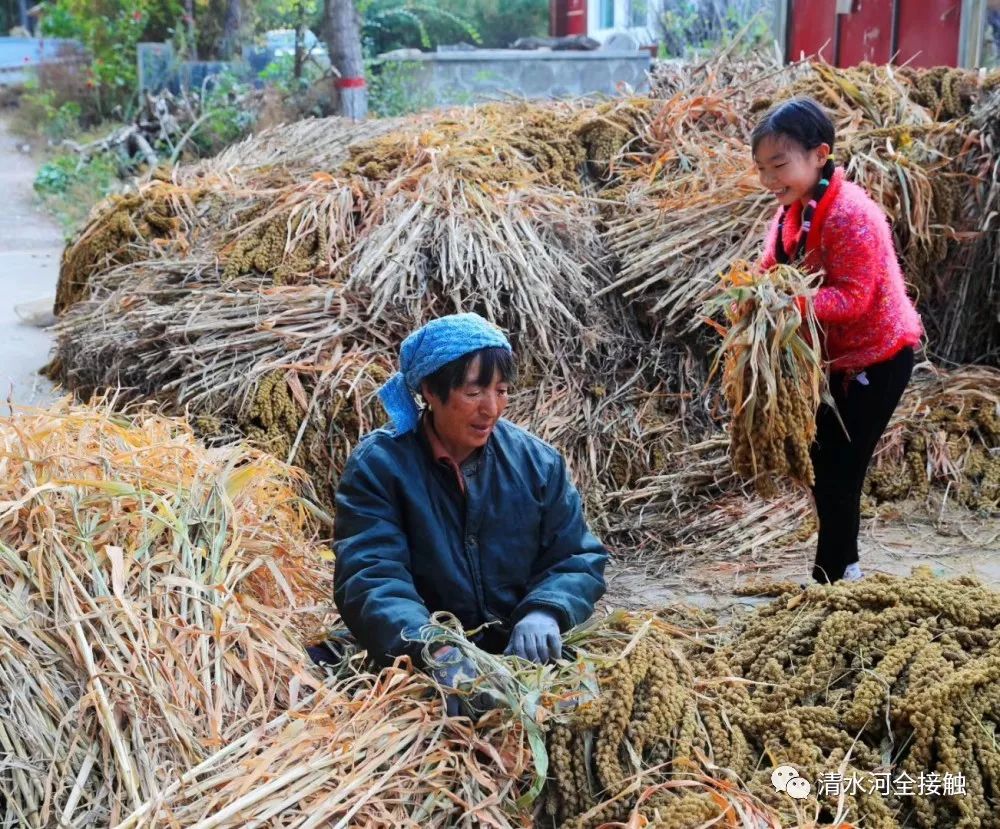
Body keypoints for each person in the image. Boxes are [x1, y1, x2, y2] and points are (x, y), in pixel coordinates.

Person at [329, 312, 608, 714]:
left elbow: (576, 556)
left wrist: (545, 610)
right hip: (422, 660)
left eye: (502, 390)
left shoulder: (537, 464)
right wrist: (433, 646)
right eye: (474, 392)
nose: (491, 408)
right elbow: (372, 573)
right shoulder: (381, 467)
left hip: (524, 660)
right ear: (429, 389)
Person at [751, 97, 923, 585]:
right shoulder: (792, 213)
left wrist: (787, 304)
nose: (770, 180)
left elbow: (853, 300)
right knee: (824, 462)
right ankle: (838, 569)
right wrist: (752, 292)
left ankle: (836, 576)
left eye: (779, 165)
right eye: (762, 169)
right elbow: (772, 269)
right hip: (837, 362)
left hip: (880, 357)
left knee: (840, 469)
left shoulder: (850, 214)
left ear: (820, 154)